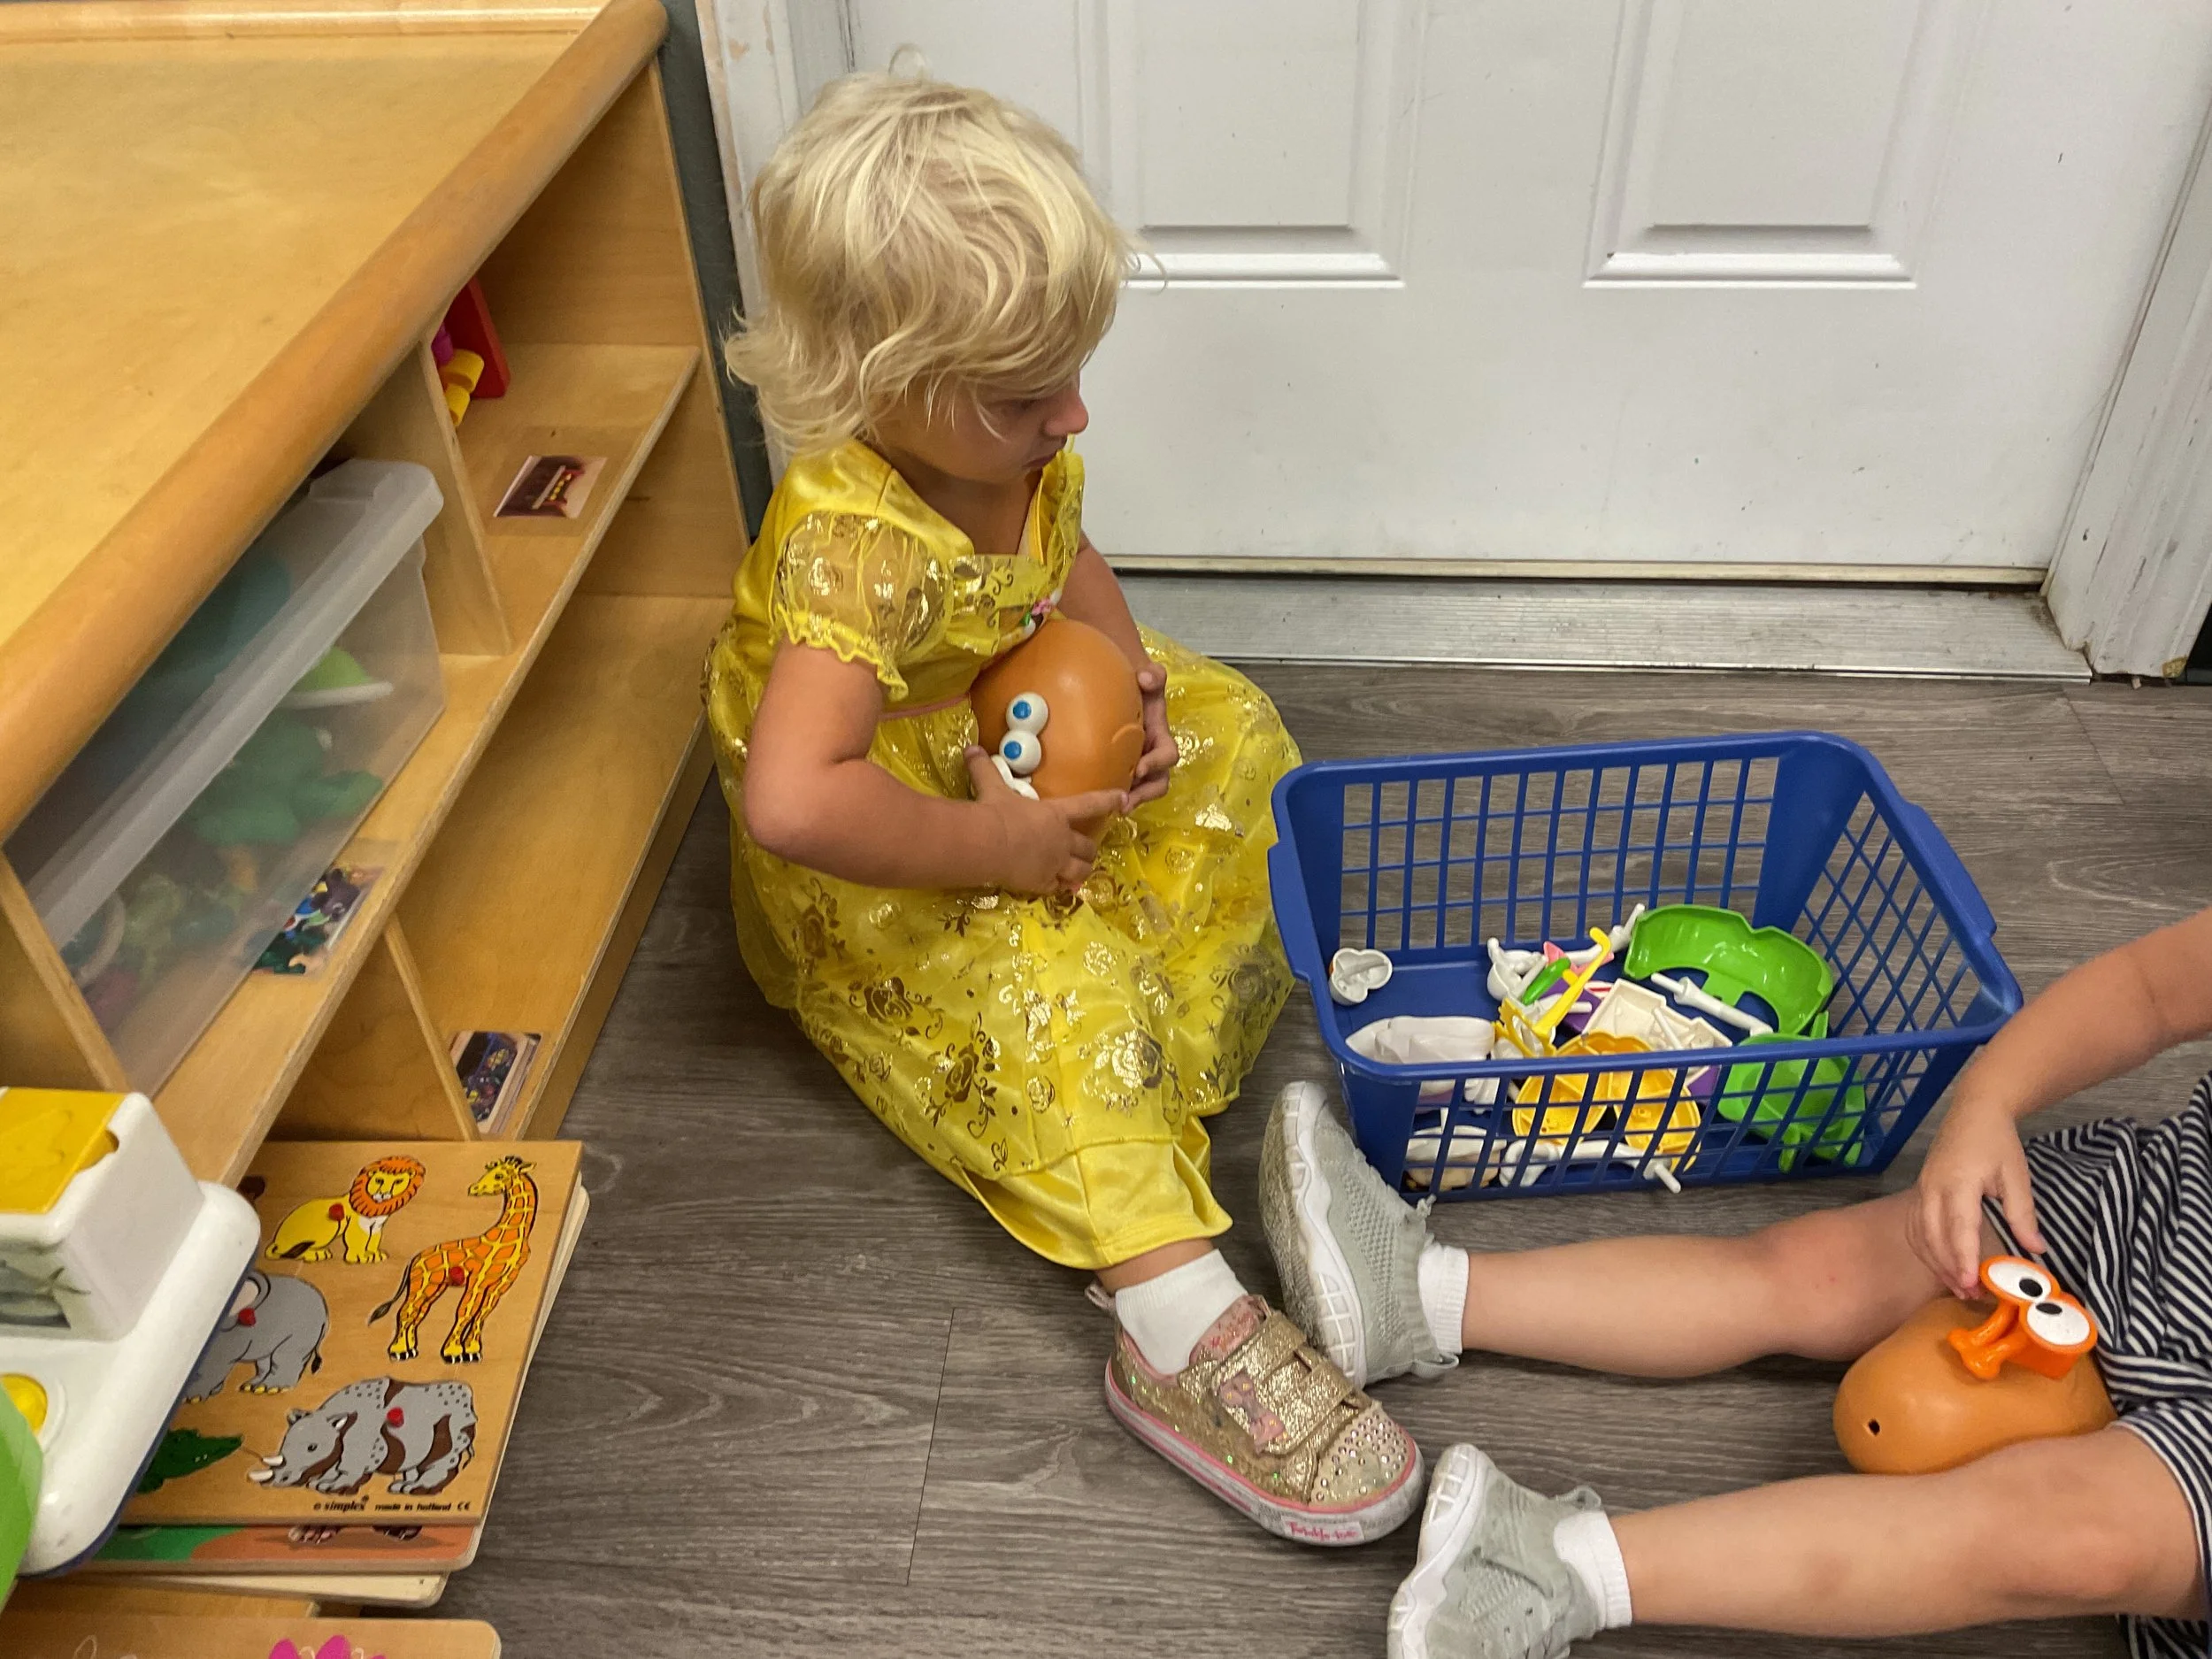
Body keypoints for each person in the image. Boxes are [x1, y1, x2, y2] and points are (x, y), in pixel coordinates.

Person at [704, 70, 1422, 1542]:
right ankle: (1172, 1311)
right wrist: (995, 842)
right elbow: (792, 798)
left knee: (1236, 729)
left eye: (1074, 372)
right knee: (1038, 966)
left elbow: (1067, 566)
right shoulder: (853, 543)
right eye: (1028, 394)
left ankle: (1119, 1063)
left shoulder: (1013, 446)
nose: (1073, 413)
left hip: (1004, 727)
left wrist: (1131, 685)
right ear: (875, 380)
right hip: (887, 819)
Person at [1263, 905, 2212, 1655]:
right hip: (2149, 1219)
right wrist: (1989, 1105)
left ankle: (1552, 1569)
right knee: (1814, 1271)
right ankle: (1415, 1297)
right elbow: (2149, 989)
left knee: (2067, 1542)